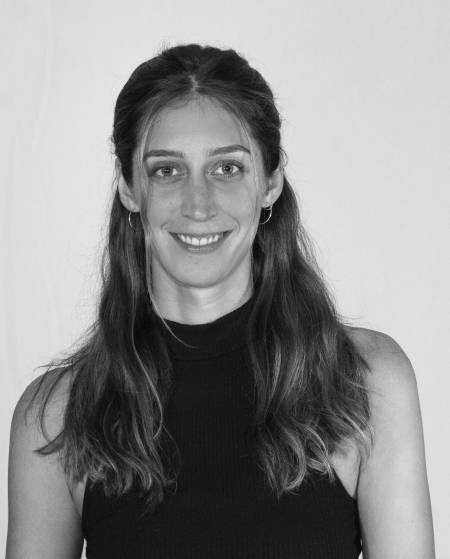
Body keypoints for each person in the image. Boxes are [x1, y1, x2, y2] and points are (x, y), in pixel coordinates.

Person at [6, 43, 435, 559]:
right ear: (128, 187)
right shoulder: (57, 416)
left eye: (227, 168)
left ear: (270, 182)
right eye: (167, 170)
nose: (198, 204)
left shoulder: (365, 383)